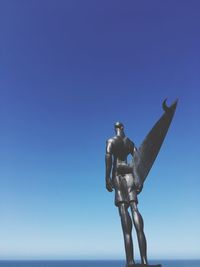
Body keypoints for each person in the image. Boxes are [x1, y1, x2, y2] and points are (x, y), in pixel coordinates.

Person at [105, 122, 148, 267]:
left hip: (118, 174)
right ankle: (144, 260)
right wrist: (139, 178)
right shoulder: (129, 142)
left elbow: (108, 158)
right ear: (122, 128)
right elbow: (138, 160)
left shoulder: (111, 141)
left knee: (124, 212)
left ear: (115, 129)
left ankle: (130, 261)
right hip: (130, 174)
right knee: (135, 208)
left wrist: (107, 178)